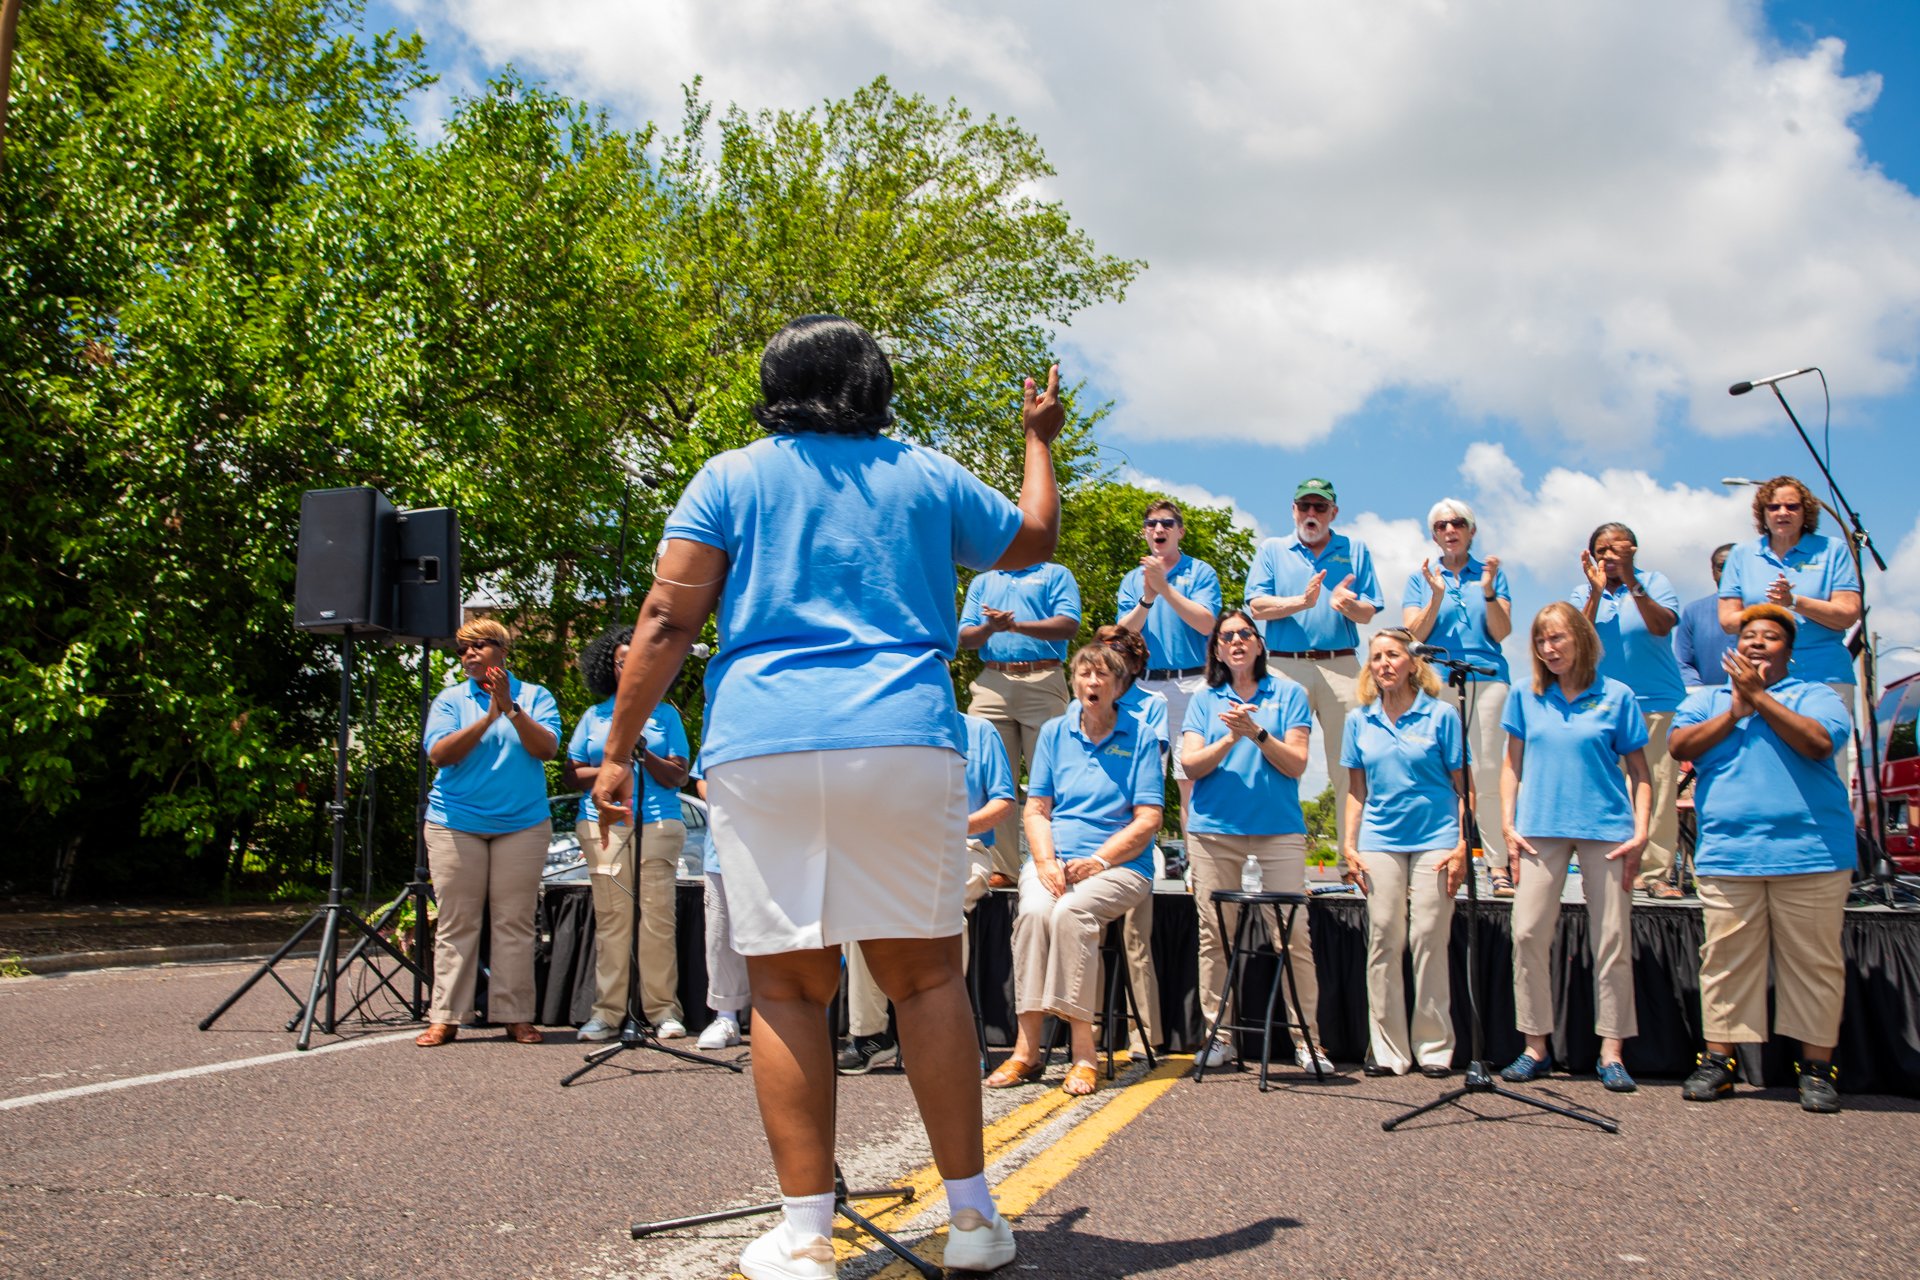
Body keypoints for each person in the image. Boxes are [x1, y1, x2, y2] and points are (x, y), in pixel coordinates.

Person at [591, 315, 1061, 1279]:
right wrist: (1038, 439)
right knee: (926, 977)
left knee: (788, 987)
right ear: (873, 385)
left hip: (765, 743)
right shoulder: (925, 472)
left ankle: (807, 1237)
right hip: (902, 735)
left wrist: (616, 747)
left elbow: (668, 618)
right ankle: (973, 1222)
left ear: (776, 383)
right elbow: (1034, 540)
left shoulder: (729, 475)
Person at [1670, 605, 1855, 1113]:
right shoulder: (1707, 699)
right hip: (1729, 854)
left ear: (1789, 652)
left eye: (1770, 637)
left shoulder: (1816, 696)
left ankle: (1817, 1070)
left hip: (1811, 854)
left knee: (1814, 964)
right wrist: (1734, 709)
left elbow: (1818, 744)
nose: (1756, 643)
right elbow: (1678, 745)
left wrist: (1758, 698)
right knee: (1726, 963)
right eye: (1748, 635)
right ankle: (1720, 1063)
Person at [985, 645, 1163, 1097]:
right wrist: (1045, 862)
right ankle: (1027, 1050)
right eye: (1084, 674)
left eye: (1102, 675)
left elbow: (1148, 819)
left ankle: (1083, 1052)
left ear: (1118, 684)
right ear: (1074, 682)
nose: (1091, 683)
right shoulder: (1053, 732)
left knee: (1071, 915)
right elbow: (1038, 808)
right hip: (1055, 860)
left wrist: (1100, 860)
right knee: (1034, 914)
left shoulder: (1139, 736)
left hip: (1119, 865)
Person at [1498, 603, 1651, 1092]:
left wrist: (1642, 830)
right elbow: (1511, 767)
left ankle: (1611, 1052)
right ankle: (1535, 1047)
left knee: (1610, 940)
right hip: (1539, 829)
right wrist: (1507, 824)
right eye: (1542, 641)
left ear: (1582, 639)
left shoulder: (1618, 695)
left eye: (1558, 638)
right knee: (1527, 934)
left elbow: (1641, 774)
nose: (1549, 649)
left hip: (1608, 830)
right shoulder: (1525, 695)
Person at [1180, 611, 1333, 1074]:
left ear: (1260, 644)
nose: (1237, 641)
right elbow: (1190, 765)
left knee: (1293, 938)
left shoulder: (1289, 694)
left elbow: (1297, 764)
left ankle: (1309, 1043)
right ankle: (1219, 1037)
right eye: (1227, 637)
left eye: (1245, 633)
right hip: (1214, 833)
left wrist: (1259, 734)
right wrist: (1231, 737)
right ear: (1218, 651)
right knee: (1214, 938)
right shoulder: (1204, 699)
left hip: (1277, 831)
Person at [839, 712, 1015, 1074]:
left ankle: (951, 1035)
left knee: (947, 907)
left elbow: (1004, 802)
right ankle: (871, 1035)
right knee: (858, 908)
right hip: (903, 847)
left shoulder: (981, 731)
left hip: (964, 846)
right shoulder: (899, 730)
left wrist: (953, 826)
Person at [415, 618, 561, 1048]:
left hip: (523, 824)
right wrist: (488, 717)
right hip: (455, 823)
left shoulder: (536, 695)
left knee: (513, 922)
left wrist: (511, 709)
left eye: (478, 646)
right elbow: (440, 754)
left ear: (503, 649)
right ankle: (446, 1016)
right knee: (457, 922)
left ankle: (515, 1015)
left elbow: (547, 749)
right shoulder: (449, 700)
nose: (468, 655)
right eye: (462, 650)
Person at [1340, 630, 1467, 1078]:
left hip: (1437, 836)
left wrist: (1461, 845)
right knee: (1384, 938)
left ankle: (1434, 1047)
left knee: (1428, 937)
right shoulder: (1359, 721)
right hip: (1379, 840)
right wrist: (1349, 844)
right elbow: (1357, 791)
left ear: (1413, 663)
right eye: (1376, 657)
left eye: (1393, 655)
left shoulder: (1443, 715)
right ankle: (1389, 1050)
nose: (1384, 664)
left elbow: (1462, 786)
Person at [564, 626, 690, 1042]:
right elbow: (573, 774)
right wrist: (613, 765)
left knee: (656, 919)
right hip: (604, 824)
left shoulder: (666, 715)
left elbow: (677, 776)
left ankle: (663, 1011)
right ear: (610, 666)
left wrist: (642, 751)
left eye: (638, 657)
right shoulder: (594, 716)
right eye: (622, 659)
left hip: (657, 821)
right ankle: (607, 1013)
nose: (630, 665)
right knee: (613, 921)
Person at [1245, 478, 1382, 833]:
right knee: (1275, 755)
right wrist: (1300, 603)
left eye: (1319, 507)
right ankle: (1277, 852)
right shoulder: (1272, 549)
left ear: (1333, 512)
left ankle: (1350, 860)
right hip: (1283, 665)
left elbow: (1369, 611)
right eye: (1304, 506)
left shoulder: (1355, 548)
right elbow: (1256, 606)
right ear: (1292, 510)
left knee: (1352, 761)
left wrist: (1349, 605)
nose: (1311, 513)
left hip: (1342, 665)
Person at [1718, 476, 1863, 784]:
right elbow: (1728, 620)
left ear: (1805, 512)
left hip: (1825, 674)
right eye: (1774, 506)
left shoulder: (1832, 550)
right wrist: (1773, 615)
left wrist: (1794, 601)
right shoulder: (1743, 555)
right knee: (1765, 765)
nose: (1782, 512)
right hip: (1761, 677)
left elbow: (1848, 614)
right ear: (1763, 513)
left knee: (1827, 767)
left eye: (1791, 506)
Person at [1402, 497, 1512, 896]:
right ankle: (1445, 858)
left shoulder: (1491, 573)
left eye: (1458, 523)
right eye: (1441, 526)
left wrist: (1487, 592)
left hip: (1487, 678)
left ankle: (1498, 866)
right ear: (1433, 534)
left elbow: (1500, 632)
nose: (1450, 531)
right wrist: (1434, 594)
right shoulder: (1423, 576)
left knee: (1484, 773)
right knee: (1440, 773)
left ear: (1471, 530)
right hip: (1437, 679)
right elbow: (1413, 635)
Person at [1572, 522, 1687, 901]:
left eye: (1615, 548)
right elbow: (1575, 640)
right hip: (1601, 706)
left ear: (1633, 550)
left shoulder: (1655, 582)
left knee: (1657, 788)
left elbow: (1661, 625)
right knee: (1606, 790)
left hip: (1656, 703)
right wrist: (1595, 592)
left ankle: (1654, 873)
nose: (1607, 556)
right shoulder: (1583, 592)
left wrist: (1633, 582)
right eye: (1600, 550)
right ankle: (1609, 865)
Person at [961, 560, 1082, 886]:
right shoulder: (983, 579)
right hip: (992, 681)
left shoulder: (1056, 574)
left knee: (1053, 777)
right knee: (991, 778)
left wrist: (1016, 626)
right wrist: (991, 628)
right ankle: (1003, 867)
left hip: (1043, 676)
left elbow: (1069, 624)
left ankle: (1058, 862)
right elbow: (967, 637)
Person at [1085, 625, 1167, 1050]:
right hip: (1087, 844)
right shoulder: (1078, 703)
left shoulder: (1153, 705)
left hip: (1132, 844)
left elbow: (1150, 771)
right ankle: (1090, 1033)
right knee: (1088, 942)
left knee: (1136, 943)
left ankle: (1144, 1037)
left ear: (1134, 665)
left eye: (1117, 652)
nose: (1107, 659)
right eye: (1101, 650)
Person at [1116, 499, 1222, 827]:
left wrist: (1165, 589)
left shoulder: (1201, 572)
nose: (1158, 529)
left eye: (1166, 523)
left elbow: (1207, 624)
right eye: (1151, 525)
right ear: (1145, 534)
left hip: (1193, 684)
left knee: (1191, 777)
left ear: (1180, 532)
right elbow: (1122, 636)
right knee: (1143, 778)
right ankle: (1137, 867)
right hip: (1145, 686)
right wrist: (1149, 596)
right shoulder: (1132, 579)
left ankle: (1197, 870)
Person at [688, 766, 752, 1051]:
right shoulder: (718, 722)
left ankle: (789, 1017)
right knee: (720, 936)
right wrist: (723, 798)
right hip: (723, 849)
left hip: (779, 846)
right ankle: (726, 1017)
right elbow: (702, 779)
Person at [1675, 544, 1737, 691]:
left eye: (1734, 568)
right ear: (1713, 572)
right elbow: (1683, 662)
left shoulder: (1764, 611)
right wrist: (1701, 694)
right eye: (1722, 567)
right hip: (1708, 703)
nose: (1728, 574)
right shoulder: (1693, 611)